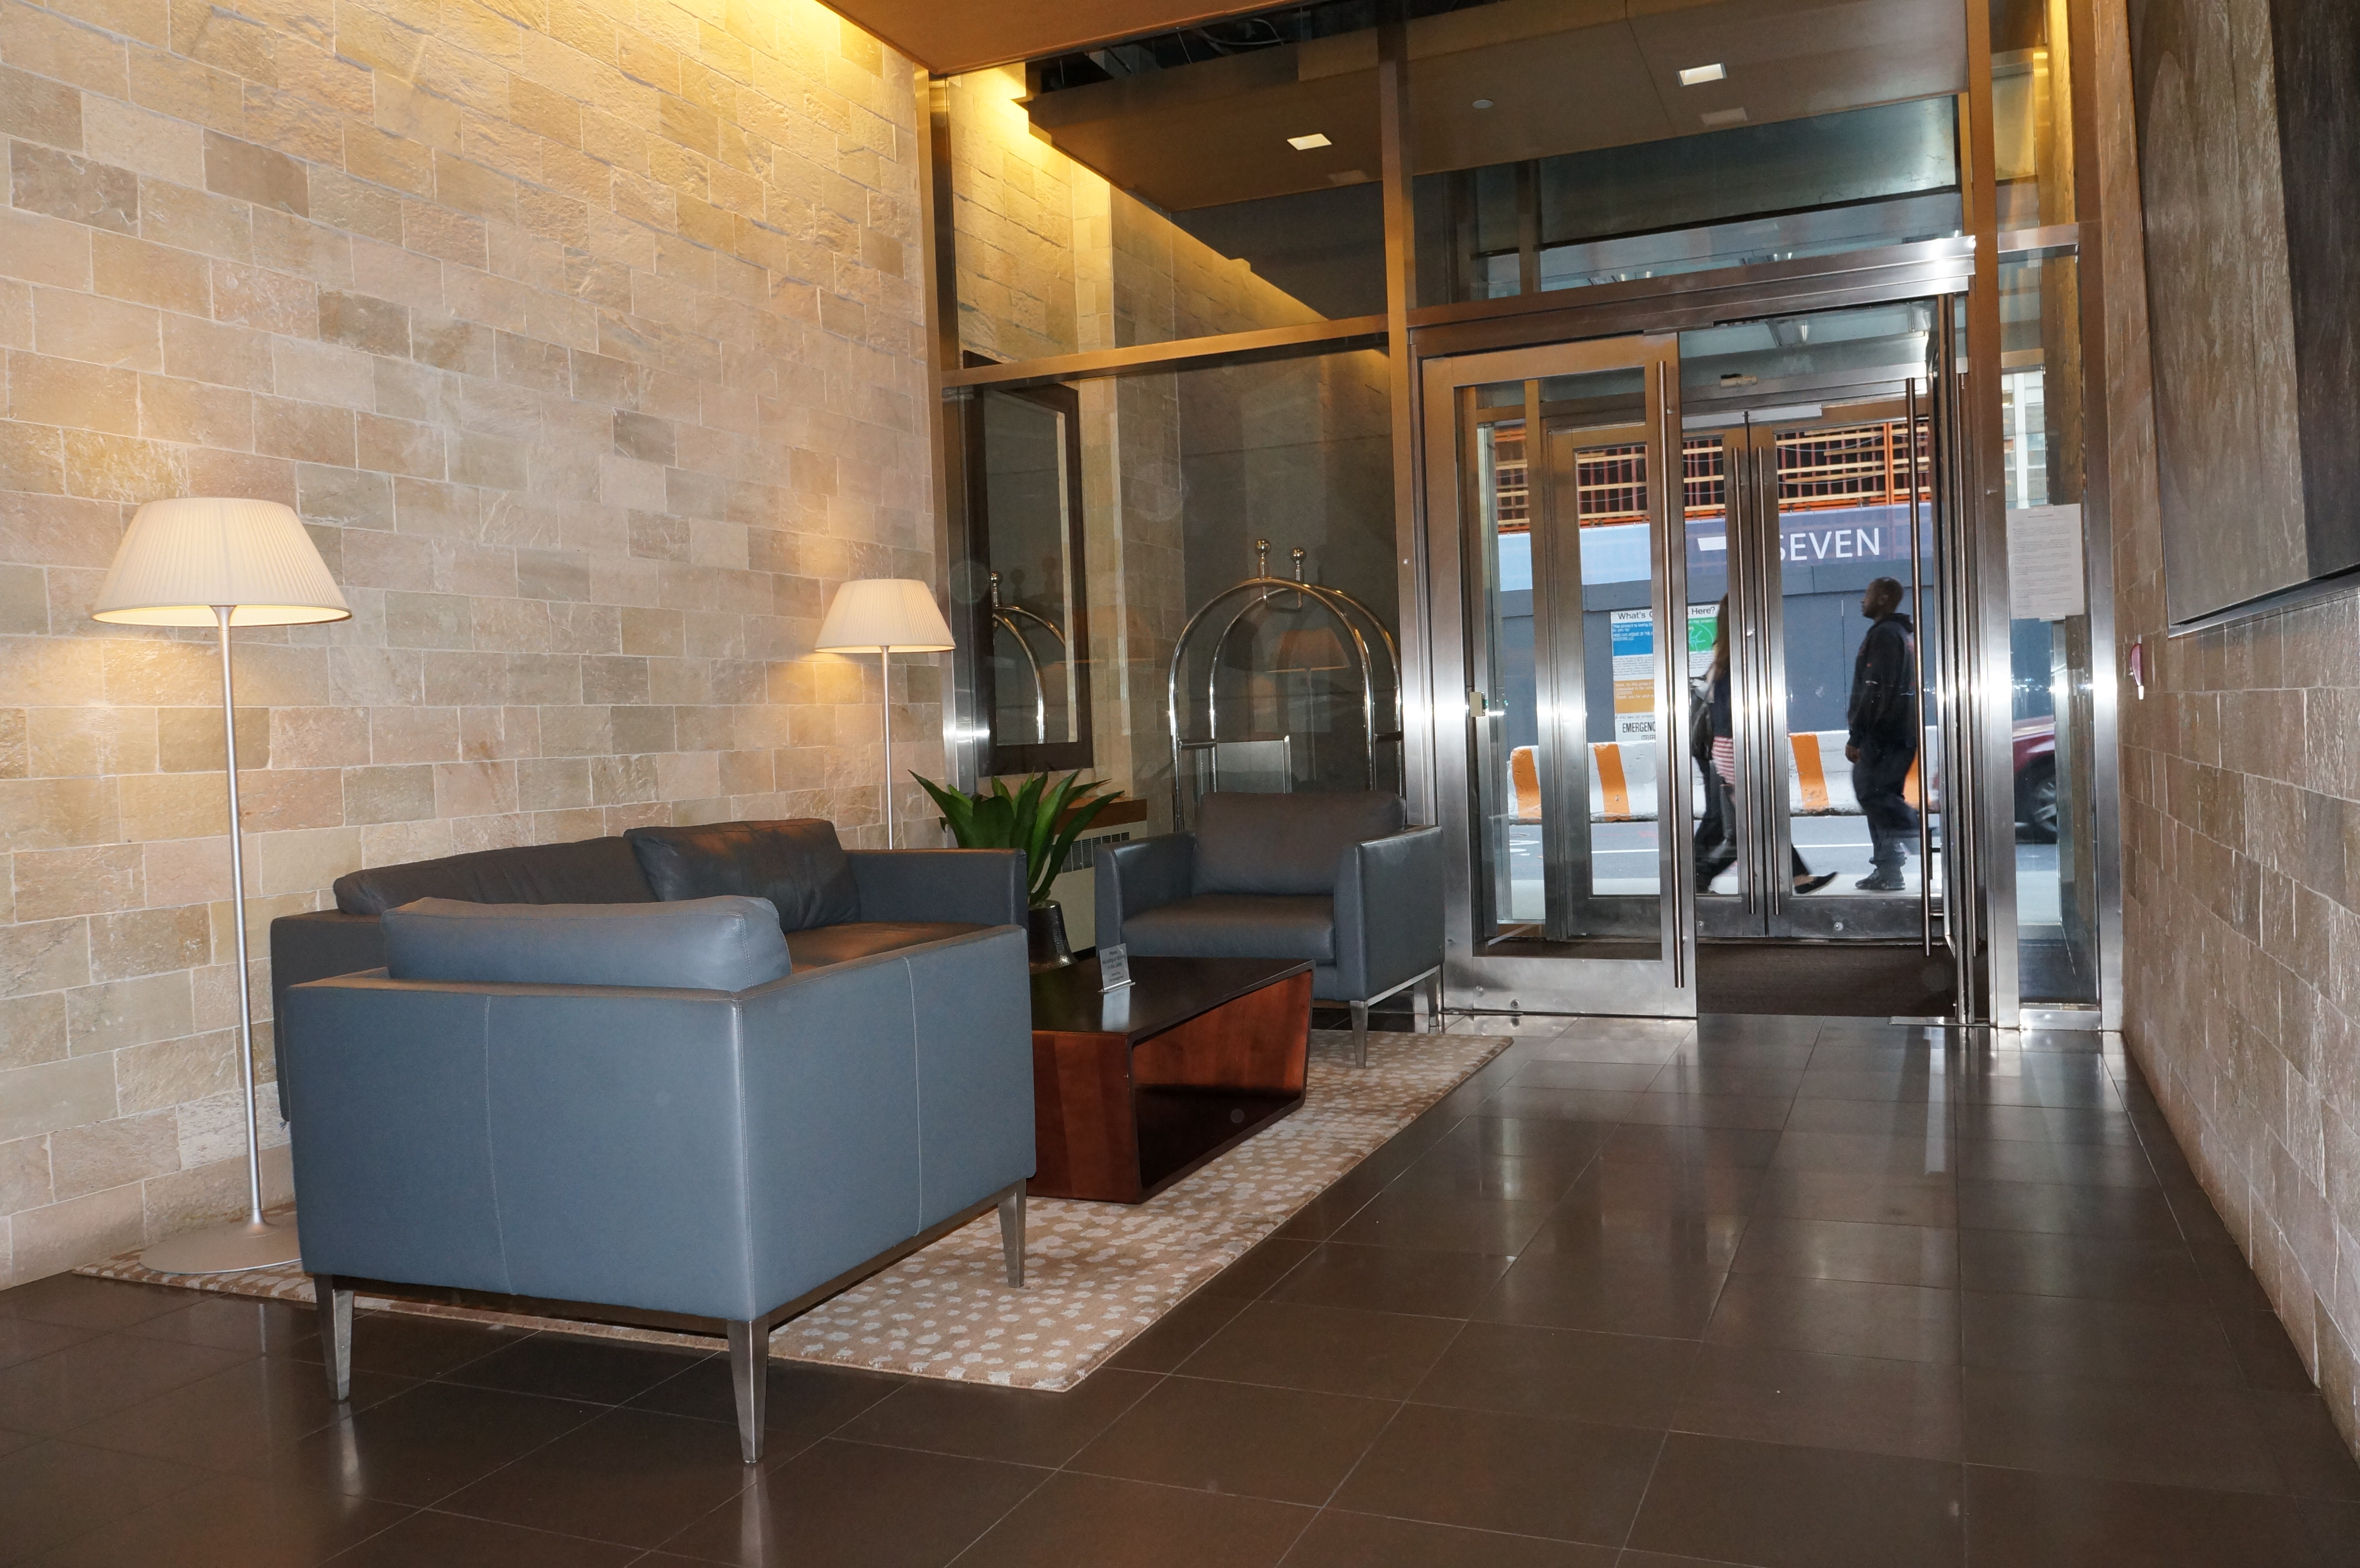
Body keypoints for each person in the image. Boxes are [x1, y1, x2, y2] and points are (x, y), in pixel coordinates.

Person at [1694, 598, 1835, 896]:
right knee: (1757, 823)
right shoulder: (1740, 660)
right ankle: (1699, 874)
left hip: (1730, 746)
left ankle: (1799, 878)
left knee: (1759, 821)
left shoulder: (1726, 658)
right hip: (1739, 748)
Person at [1845, 576, 1922, 892]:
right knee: (1881, 797)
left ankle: (1918, 834)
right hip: (1896, 732)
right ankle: (1889, 871)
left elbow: (1875, 689)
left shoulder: (1886, 634)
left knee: (1872, 794)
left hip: (1884, 733)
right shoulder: (1897, 633)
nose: (1862, 600)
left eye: (1868, 594)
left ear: (1883, 598)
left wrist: (1858, 735)